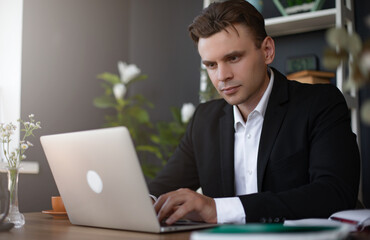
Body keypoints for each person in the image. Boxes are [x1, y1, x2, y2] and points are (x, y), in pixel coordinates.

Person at [149, 0, 360, 225]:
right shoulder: (204, 119)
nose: (222, 76)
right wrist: (146, 202)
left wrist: (218, 209)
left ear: (267, 51)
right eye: (211, 65)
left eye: (233, 58)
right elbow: (160, 190)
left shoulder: (320, 103)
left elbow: (334, 194)